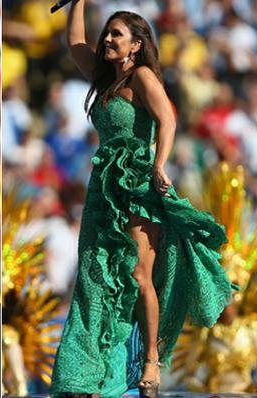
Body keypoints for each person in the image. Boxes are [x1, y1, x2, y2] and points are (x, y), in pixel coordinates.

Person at [49, 1, 237, 397]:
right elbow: (74, 42)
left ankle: (150, 358)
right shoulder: (105, 78)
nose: (108, 39)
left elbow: (167, 119)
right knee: (95, 276)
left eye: (117, 34)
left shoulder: (144, 76)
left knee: (138, 276)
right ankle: (92, 371)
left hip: (137, 185)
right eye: (109, 33)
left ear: (136, 44)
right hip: (103, 188)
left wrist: (160, 164)